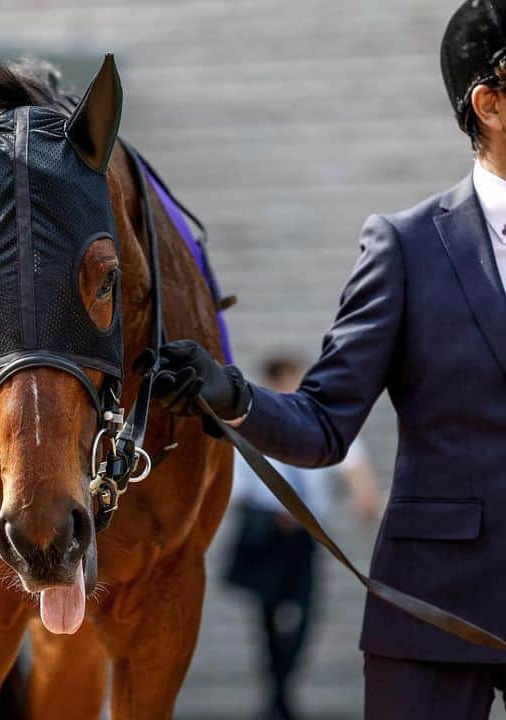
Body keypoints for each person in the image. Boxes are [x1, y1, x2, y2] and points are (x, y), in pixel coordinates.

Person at [152, 1, 506, 715]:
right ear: (490, 104)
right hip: (434, 602)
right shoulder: (407, 248)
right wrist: (230, 395)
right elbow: (323, 424)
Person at [224, 354, 382, 720]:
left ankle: (278, 697)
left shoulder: (316, 419)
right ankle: (278, 699)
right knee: (267, 618)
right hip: (266, 536)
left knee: (304, 613)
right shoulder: (252, 426)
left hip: (303, 537)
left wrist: (364, 493)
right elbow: (236, 488)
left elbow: (352, 461)